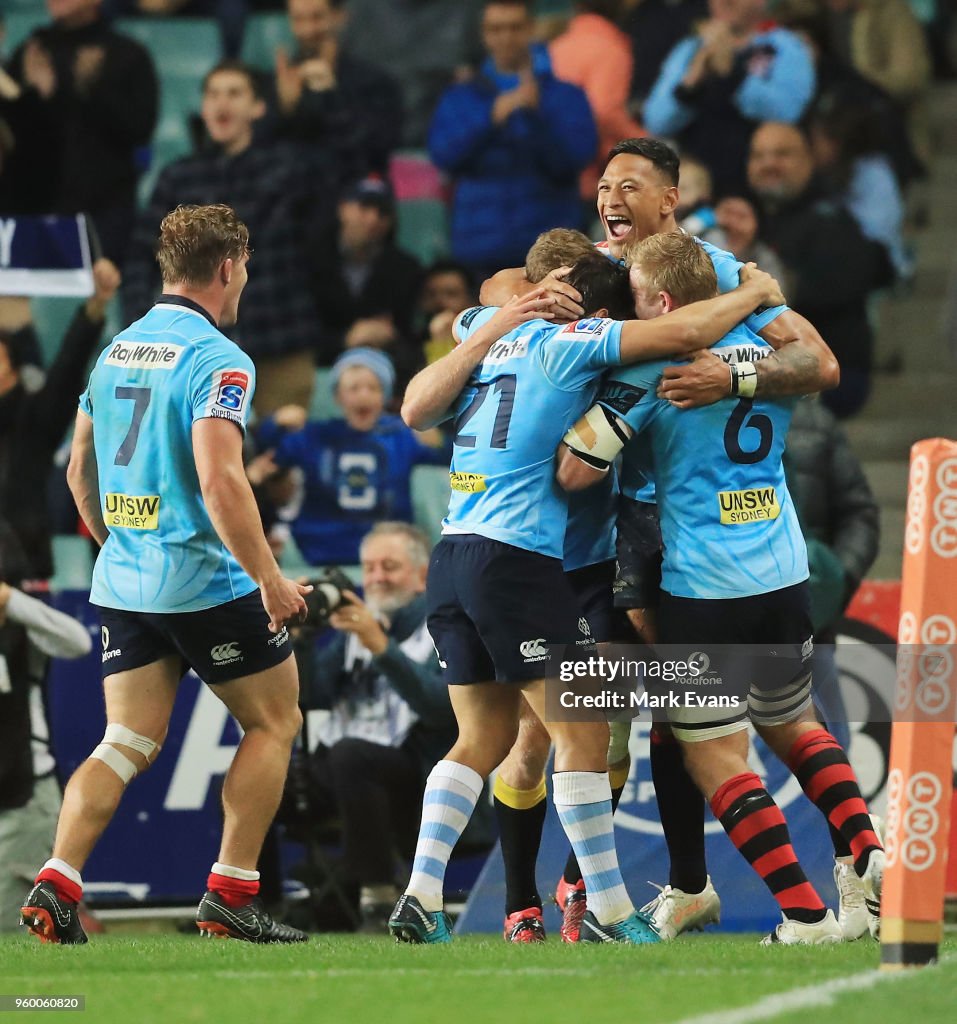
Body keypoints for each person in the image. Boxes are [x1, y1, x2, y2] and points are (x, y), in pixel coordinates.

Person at [480, 136, 840, 942]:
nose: (611, 198)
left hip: (654, 516)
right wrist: (522, 305)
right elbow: (498, 292)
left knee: (669, 712)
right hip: (579, 521)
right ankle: (533, 900)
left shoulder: (709, 269)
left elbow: (817, 362)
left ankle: (669, 886)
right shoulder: (584, 266)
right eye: (603, 184)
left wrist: (736, 361)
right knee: (567, 719)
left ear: (668, 201)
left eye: (630, 186)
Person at [391, 250, 786, 945]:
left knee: (480, 736)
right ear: (603, 312)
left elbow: (426, 387)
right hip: (514, 559)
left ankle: (421, 897)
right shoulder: (580, 339)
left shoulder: (493, 326)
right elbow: (680, 333)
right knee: (585, 733)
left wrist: (509, 305)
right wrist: (753, 290)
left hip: (450, 553)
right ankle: (607, 913)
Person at [559, 231, 885, 945]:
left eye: (640, 297)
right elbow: (817, 363)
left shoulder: (658, 365)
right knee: (797, 724)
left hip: (702, 584)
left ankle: (802, 915)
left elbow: (577, 465)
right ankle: (868, 848)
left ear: (665, 301)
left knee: (712, 753)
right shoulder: (767, 345)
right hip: (782, 569)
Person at [19, 203, 312, 945]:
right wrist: (271, 580)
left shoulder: (117, 348)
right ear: (227, 266)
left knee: (126, 741)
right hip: (202, 579)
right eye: (243, 267)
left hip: (125, 579)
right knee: (273, 720)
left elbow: (79, 467)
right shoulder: (218, 358)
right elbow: (221, 481)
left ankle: (57, 881)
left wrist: (113, 540)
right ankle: (231, 894)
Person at [123, 60, 331, 415]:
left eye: (235, 93)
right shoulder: (179, 177)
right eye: (214, 94)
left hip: (279, 338)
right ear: (203, 108)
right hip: (190, 348)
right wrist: (144, 326)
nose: (222, 103)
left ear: (258, 107)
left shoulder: (292, 167)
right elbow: (143, 256)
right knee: (199, 461)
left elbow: (335, 166)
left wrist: (305, 109)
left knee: (281, 459)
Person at [297, 523, 458, 931]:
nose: (376, 578)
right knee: (256, 780)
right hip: (345, 768)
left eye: (390, 567)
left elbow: (440, 707)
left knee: (351, 754)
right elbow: (311, 695)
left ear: (423, 576)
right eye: (369, 568)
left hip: (418, 772)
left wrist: (381, 648)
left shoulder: (442, 627)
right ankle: (252, 900)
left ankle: (378, 897)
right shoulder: (355, 626)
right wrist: (297, 639)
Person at [428, 0, 597, 279]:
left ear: (531, 29)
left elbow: (576, 158)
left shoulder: (564, 95)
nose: (505, 37)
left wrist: (536, 117)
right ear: (484, 34)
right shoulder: (462, 96)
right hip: (479, 247)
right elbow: (443, 155)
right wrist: (490, 119)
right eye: (496, 29)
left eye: (515, 28)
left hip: (549, 251)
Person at [746, 121, 891, 417]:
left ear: (809, 160)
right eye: (758, 156)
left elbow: (842, 283)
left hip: (826, 376)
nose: (768, 164)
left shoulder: (834, 220)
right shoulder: (743, 218)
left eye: (782, 154)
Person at [257, 348, 449, 566]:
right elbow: (269, 454)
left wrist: (437, 437)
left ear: (385, 396)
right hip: (321, 547)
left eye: (373, 388)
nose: (363, 395)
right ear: (338, 396)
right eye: (354, 388)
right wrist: (276, 423)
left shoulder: (402, 436)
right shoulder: (317, 436)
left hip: (386, 547)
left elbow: (453, 457)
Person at [1, 0, 158, 264]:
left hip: (105, 206)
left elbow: (139, 128)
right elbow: (13, 140)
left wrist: (91, 91)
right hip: (39, 204)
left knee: (101, 292)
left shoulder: (127, 54)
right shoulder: (32, 52)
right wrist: (35, 98)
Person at [0, 259, 121, 581]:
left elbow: (68, 365)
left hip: (26, 564)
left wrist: (96, 304)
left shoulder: (35, 415)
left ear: (13, 366)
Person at [0, 520, 93, 933]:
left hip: (24, 795)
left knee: (17, 932)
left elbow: (77, 641)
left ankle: (43, 1003)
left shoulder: (22, 624)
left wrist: (11, 602)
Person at [643, 0, 815, 196]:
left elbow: (787, 112)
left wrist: (733, 74)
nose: (725, 2)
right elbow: (656, 121)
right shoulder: (689, 49)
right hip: (696, 185)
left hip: (761, 183)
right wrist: (690, 85)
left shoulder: (785, 46)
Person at [310, 177, 424, 386]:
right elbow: (301, 331)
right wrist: (346, 338)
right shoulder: (310, 260)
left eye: (382, 212)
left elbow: (412, 335)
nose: (373, 219)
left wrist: (389, 335)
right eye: (365, 207)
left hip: (387, 371)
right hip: (320, 369)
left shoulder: (406, 268)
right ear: (343, 208)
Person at [270, 0, 402, 179]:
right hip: (295, 195)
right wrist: (286, 108)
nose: (308, 30)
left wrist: (332, 96)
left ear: (339, 16)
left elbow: (375, 149)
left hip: (353, 193)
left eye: (317, 17)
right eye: (298, 19)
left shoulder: (374, 82)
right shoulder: (278, 83)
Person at [548, 1, 645, 200]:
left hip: (554, 170)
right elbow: (604, 113)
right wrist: (648, 144)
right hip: (589, 178)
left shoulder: (556, 46)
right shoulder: (609, 49)